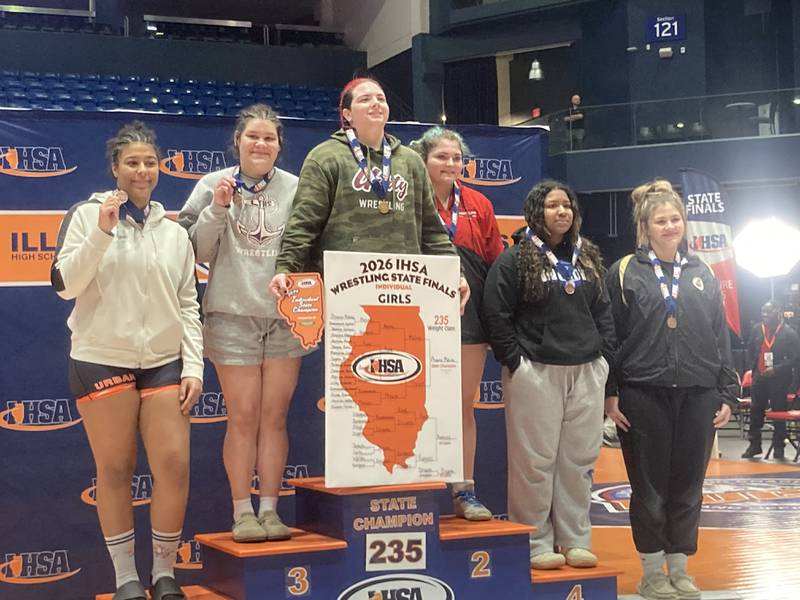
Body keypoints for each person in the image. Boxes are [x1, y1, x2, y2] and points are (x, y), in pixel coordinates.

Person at [51, 121, 203, 600]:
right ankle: (126, 580)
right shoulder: (86, 214)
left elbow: (187, 304)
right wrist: (101, 234)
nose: (142, 170)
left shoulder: (175, 231)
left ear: (160, 169)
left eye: (150, 162)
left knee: (174, 464)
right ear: (115, 167)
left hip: (163, 359)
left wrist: (195, 365)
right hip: (101, 358)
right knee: (116, 468)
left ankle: (164, 573)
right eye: (132, 162)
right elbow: (65, 286)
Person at [178, 104, 309, 543]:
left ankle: (270, 509)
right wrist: (218, 208)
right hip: (231, 316)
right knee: (243, 417)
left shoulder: (296, 187)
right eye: (253, 136)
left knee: (275, 418)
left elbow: (311, 243)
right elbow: (192, 250)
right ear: (237, 141)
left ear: (279, 146)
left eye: (269, 138)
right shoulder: (212, 184)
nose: (260, 144)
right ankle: (241, 513)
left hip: (285, 319)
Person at [604, 179, 737, 600]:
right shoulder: (624, 271)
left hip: (698, 393)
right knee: (649, 490)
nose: (669, 226)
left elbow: (722, 336)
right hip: (643, 393)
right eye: (660, 220)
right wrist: (611, 393)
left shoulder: (703, 273)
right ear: (645, 225)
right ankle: (650, 573)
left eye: (675, 219)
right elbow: (610, 337)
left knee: (688, 487)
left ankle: (679, 569)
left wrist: (728, 393)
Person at [483, 179, 615, 570]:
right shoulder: (516, 258)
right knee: (534, 463)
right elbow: (496, 313)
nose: (562, 212)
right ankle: (535, 541)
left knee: (578, 462)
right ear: (536, 212)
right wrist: (516, 363)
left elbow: (603, 312)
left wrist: (603, 358)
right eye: (553, 206)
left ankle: (575, 540)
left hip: (587, 370)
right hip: (536, 372)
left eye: (568, 206)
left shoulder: (587, 257)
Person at [269, 77, 468, 302]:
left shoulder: (411, 162)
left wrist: (456, 274)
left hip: (404, 290)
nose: (375, 103)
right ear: (347, 114)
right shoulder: (325, 157)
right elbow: (303, 225)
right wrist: (285, 268)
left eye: (380, 99)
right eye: (365, 99)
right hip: (342, 291)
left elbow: (432, 231)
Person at [410, 126, 504, 521]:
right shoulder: (409, 200)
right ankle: (418, 487)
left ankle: (464, 490)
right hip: (417, 315)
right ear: (422, 160)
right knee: (416, 405)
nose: (450, 164)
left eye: (456, 158)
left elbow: (496, 259)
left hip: (469, 318)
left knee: (462, 405)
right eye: (441, 157)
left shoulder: (478, 203)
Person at [742, 301, 800, 460]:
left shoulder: (790, 333)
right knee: (755, 411)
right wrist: (754, 369)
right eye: (763, 312)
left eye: (768, 312)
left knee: (778, 412)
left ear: (778, 312)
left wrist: (777, 369)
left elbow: (796, 358)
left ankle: (779, 447)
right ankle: (754, 445)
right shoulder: (757, 330)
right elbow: (750, 349)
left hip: (779, 380)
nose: (764, 315)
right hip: (759, 377)